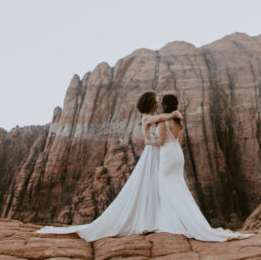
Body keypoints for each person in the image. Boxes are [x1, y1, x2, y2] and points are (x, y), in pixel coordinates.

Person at [36, 90, 176, 240]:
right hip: (151, 154)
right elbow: (163, 117)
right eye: (155, 101)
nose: (157, 103)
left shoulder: (152, 117)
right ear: (149, 103)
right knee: (148, 185)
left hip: (154, 153)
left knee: (153, 185)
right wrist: (175, 114)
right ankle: (146, 220)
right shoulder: (147, 117)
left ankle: (153, 218)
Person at [146, 93, 246, 242]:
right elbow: (179, 141)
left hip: (167, 154)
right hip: (177, 154)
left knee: (165, 185)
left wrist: (149, 142)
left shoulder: (163, 122)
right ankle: (185, 219)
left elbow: (160, 141)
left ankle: (173, 221)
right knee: (178, 186)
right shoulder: (178, 119)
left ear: (165, 105)